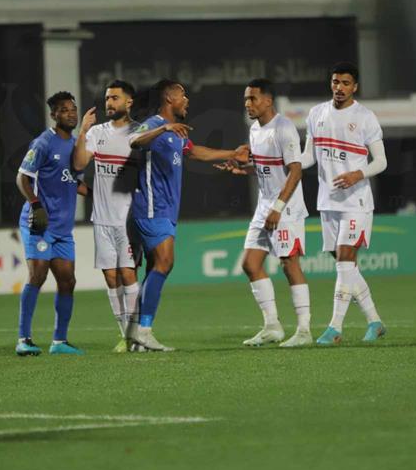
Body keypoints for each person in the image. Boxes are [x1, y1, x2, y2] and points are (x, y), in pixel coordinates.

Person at [125, 80, 249, 352]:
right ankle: (143, 332)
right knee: (165, 262)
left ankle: (138, 335)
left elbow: (194, 152)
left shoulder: (178, 132)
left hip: (166, 210)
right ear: (169, 98)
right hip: (151, 207)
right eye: (183, 95)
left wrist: (233, 153)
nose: (187, 100)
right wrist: (163, 128)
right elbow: (133, 141)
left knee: (156, 267)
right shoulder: (155, 124)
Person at [217, 79, 312, 347]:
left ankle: (304, 331)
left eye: (253, 99)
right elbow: (265, 167)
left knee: (289, 264)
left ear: (268, 101)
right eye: (246, 99)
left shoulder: (284, 128)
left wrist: (278, 208)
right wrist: (242, 169)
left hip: (285, 208)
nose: (248, 104)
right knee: (250, 264)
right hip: (264, 206)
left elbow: (295, 171)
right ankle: (272, 326)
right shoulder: (255, 129)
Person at [299, 62, 388, 346]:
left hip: (356, 201)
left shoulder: (365, 117)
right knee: (345, 265)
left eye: (345, 83)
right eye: (335, 82)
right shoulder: (316, 113)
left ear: (355, 87)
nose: (339, 87)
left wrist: (357, 174)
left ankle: (334, 327)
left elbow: (381, 161)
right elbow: (308, 157)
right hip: (328, 201)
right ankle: (375, 321)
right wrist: (283, 163)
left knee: (345, 259)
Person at [15, 91, 88, 356]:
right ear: (54, 115)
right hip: (40, 224)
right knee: (38, 276)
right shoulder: (43, 143)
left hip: (63, 229)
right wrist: (36, 205)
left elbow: (72, 181)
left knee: (68, 281)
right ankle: (24, 339)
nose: (70, 114)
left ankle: (59, 342)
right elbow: (22, 178)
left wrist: (97, 195)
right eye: (64, 110)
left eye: (73, 109)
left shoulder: (76, 146)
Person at [73, 80, 142, 353]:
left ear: (129, 102)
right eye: (107, 98)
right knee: (111, 278)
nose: (109, 103)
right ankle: (126, 336)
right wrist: (82, 131)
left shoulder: (140, 133)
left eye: (114, 98)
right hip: (101, 219)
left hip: (128, 219)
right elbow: (79, 163)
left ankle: (137, 335)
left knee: (128, 274)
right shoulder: (96, 132)